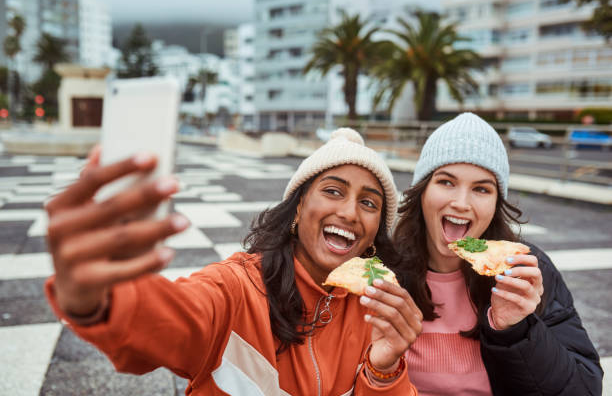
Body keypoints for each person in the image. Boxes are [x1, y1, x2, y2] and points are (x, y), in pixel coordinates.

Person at [44, 128, 423, 395]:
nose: (350, 212)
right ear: (297, 208)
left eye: (369, 203)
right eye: (333, 191)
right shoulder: (236, 289)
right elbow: (170, 319)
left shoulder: (376, 310)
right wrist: (100, 296)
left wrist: (384, 369)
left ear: (376, 233)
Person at [392, 113, 602, 395]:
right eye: (446, 182)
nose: (461, 203)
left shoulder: (524, 270)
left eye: (481, 188)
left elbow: (584, 389)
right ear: (422, 190)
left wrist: (517, 329)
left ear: (495, 204)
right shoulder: (382, 268)